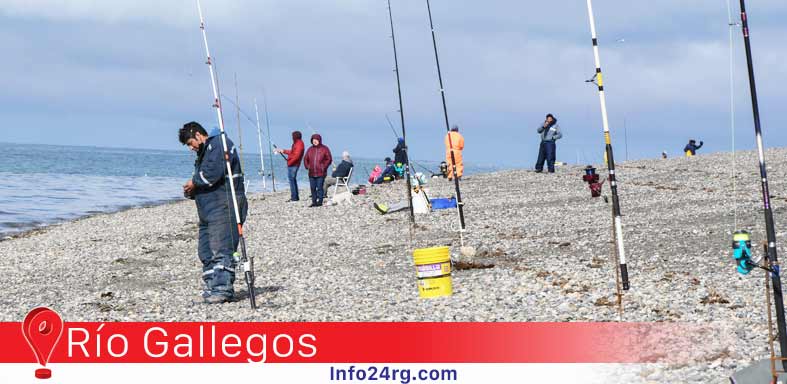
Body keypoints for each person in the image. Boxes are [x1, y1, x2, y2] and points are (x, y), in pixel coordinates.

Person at [179, 122, 247, 304]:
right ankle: (212, 285)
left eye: (189, 143)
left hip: (224, 205)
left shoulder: (219, 144)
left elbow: (211, 174)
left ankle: (223, 289)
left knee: (221, 248)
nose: (190, 148)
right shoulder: (205, 152)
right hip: (207, 209)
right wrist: (192, 191)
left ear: (198, 135)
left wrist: (194, 182)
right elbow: (206, 180)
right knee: (205, 251)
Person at [303, 134, 332, 207]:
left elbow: (329, 159)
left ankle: (320, 202)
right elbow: (305, 159)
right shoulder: (310, 149)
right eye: (313, 140)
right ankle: (314, 202)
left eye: (316, 140)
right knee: (312, 188)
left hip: (321, 173)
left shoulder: (325, 148)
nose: (315, 141)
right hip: (311, 172)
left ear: (319, 140)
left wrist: (323, 167)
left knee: (319, 187)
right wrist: (307, 166)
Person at [274, 131, 305, 202]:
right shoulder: (297, 143)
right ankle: (295, 197)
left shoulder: (299, 144)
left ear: (295, 136)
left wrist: (289, 161)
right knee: (293, 180)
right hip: (293, 164)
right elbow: (292, 152)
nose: (292, 137)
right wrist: (282, 150)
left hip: (294, 165)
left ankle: (294, 198)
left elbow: (296, 156)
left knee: (292, 181)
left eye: (293, 136)